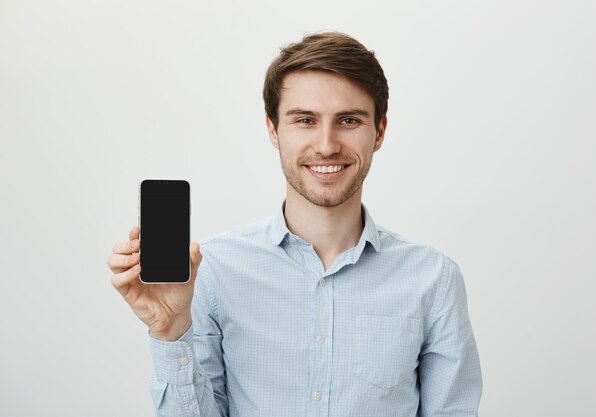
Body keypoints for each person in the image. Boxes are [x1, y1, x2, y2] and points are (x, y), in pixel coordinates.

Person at [108, 32, 482, 417]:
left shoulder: (433, 278)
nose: (326, 144)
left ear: (380, 131)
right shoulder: (211, 271)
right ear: (273, 130)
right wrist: (172, 331)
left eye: (349, 120)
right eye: (305, 120)